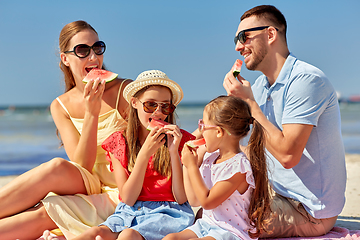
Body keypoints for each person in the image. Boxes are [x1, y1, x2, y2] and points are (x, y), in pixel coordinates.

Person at [0, 20, 131, 240]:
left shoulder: (125, 90)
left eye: (97, 48)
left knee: (48, 210)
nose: (93, 57)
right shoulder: (59, 106)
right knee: (56, 167)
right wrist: (92, 112)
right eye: (82, 50)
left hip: (122, 185)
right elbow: (83, 166)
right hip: (87, 181)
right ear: (65, 59)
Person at [223, 5, 346, 238]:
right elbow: (253, 147)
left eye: (244, 37)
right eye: (236, 39)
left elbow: (288, 156)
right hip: (277, 195)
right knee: (210, 210)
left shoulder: (306, 81)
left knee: (225, 224)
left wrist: (251, 105)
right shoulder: (259, 87)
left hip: (310, 210)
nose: (239, 46)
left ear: (270, 35)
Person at [69, 69, 195, 240]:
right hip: (129, 210)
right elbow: (128, 198)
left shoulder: (182, 140)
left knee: (128, 236)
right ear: (135, 103)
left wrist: (173, 152)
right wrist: (144, 155)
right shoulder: (119, 142)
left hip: (170, 212)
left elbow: (181, 198)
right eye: (150, 105)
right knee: (95, 233)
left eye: (165, 106)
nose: (158, 112)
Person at [164, 95, 272, 240]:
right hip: (206, 225)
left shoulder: (238, 168)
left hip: (231, 232)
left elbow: (207, 202)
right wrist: (189, 166)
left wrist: (193, 167)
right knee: (170, 238)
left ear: (219, 132)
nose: (200, 131)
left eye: (203, 126)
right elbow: (195, 200)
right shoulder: (211, 158)